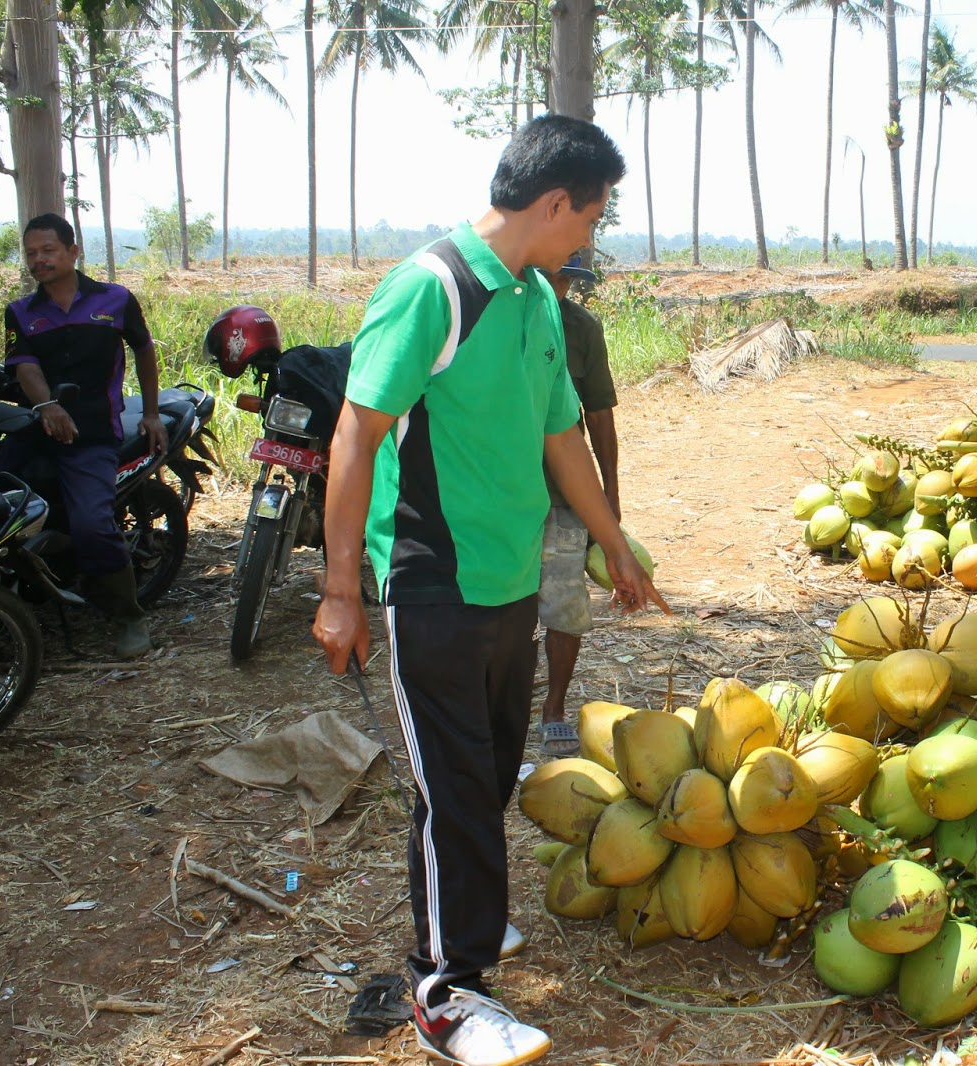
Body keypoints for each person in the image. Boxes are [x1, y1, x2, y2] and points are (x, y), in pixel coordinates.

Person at [311, 116, 667, 1066]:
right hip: (431, 577)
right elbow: (354, 434)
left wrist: (614, 544)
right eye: (590, 216)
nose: (590, 236)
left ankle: (460, 911)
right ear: (554, 204)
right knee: (457, 785)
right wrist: (341, 589)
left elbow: (562, 438)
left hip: (510, 580)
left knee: (485, 772)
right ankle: (445, 992)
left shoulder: (537, 299)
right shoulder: (432, 288)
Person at [0, 213, 166, 659]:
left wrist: (151, 413)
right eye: (31, 253)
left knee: (92, 524)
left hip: (92, 434)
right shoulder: (21, 312)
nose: (39, 260)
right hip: (34, 430)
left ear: (73, 252)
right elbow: (25, 366)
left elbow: (144, 350)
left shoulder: (115, 300)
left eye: (48, 250)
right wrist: (47, 406)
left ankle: (129, 616)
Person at [537, 254, 619, 757]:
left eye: (568, 279)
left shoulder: (581, 329)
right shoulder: (494, 318)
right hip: (500, 492)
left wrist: (610, 496)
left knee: (564, 604)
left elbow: (600, 416)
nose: (560, 286)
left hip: (565, 491)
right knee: (504, 609)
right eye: (553, 275)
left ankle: (554, 709)